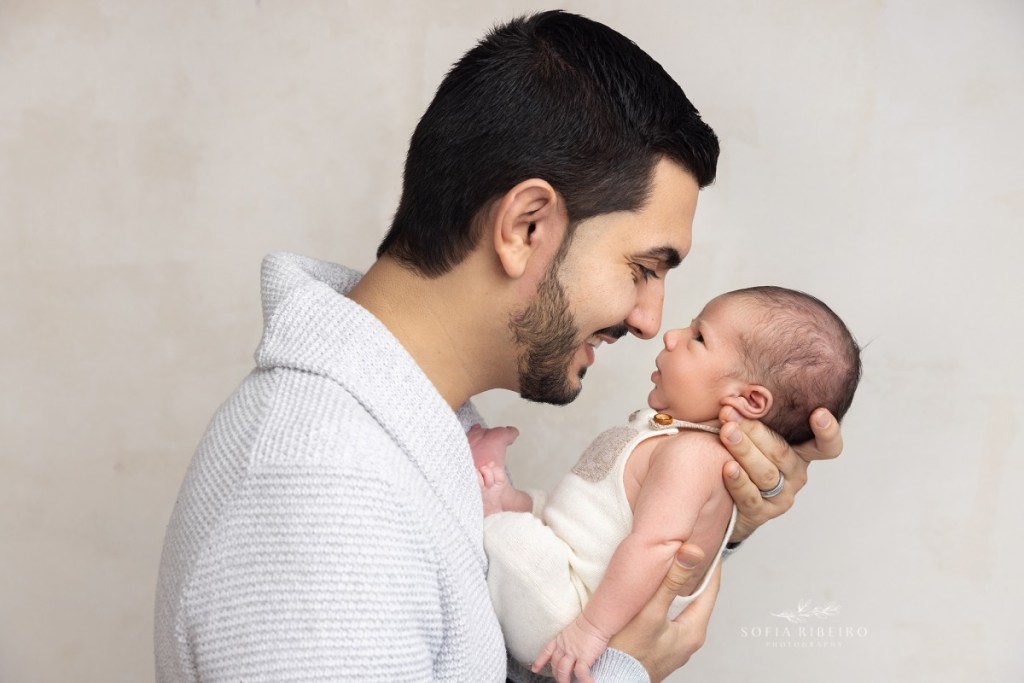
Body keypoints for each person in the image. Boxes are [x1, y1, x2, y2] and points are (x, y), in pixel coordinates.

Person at [154, 11, 845, 683]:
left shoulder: (415, 431)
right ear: (525, 226)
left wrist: (708, 510)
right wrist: (623, 668)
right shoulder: (325, 496)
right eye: (643, 268)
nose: (648, 319)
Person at [471, 286, 862, 683]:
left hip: (567, 619)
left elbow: (656, 550)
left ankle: (491, 512)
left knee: (512, 543)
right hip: (569, 578)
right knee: (553, 513)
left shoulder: (695, 456)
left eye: (698, 337)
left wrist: (590, 631)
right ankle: (505, 495)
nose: (671, 336)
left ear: (749, 400)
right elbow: (581, 521)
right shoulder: (678, 442)